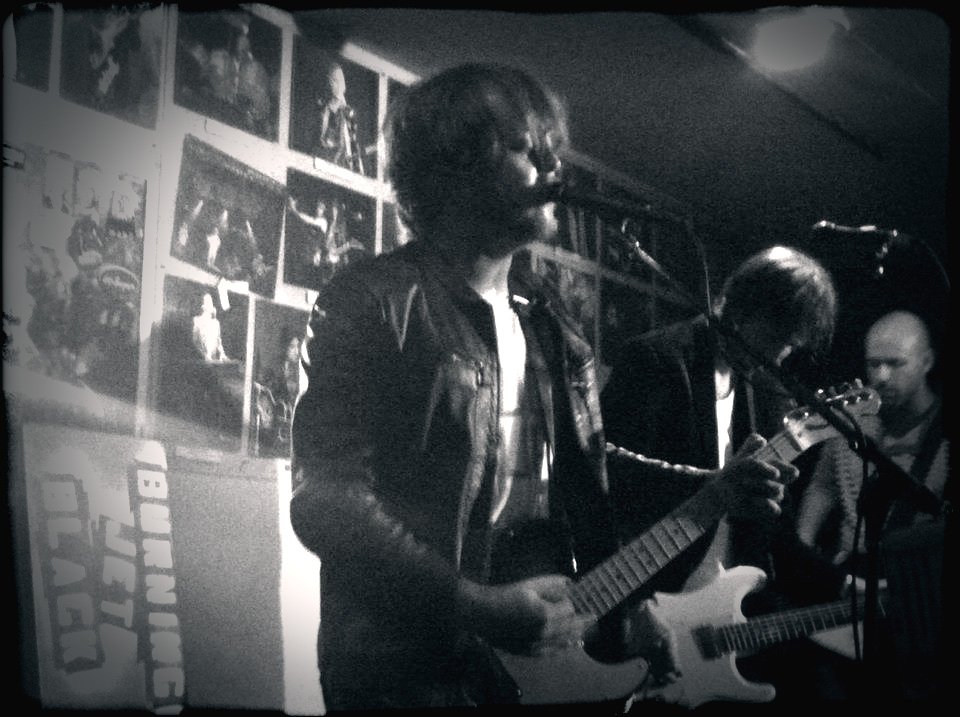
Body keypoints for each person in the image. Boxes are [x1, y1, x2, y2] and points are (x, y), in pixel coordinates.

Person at [289, 62, 795, 713]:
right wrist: (471, 604)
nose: (555, 167)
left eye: (552, 148)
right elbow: (327, 501)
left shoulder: (549, 321)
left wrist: (628, 608)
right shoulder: (371, 301)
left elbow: (583, 496)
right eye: (527, 148)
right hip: (401, 670)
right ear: (456, 166)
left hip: (519, 671)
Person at [601, 245, 850, 705]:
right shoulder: (657, 360)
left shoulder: (762, 392)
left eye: (792, 344)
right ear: (743, 308)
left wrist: (840, 583)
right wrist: (630, 605)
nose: (780, 354)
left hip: (727, 612)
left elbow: (775, 532)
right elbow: (611, 487)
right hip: (651, 604)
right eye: (777, 335)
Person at [797, 309, 947, 566]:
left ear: (927, 361)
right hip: (849, 577)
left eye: (896, 364)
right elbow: (823, 487)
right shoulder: (849, 422)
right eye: (874, 364)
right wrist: (803, 552)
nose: (881, 377)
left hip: (919, 575)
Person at [313, 60, 361, 173]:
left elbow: (352, 146)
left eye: (341, 81)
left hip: (342, 167)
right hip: (322, 163)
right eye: (334, 80)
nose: (339, 85)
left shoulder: (348, 113)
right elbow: (319, 139)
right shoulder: (322, 110)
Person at [192, 292, 229, 363]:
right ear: (203, 306)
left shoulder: (216, 323)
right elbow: (195, 342)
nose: (211, 305)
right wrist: (204, 356)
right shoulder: (197, 320)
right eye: (208, 302)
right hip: (201, 360)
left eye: (211, 302)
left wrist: (222, 354)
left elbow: (219, 342)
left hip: (213, 360)